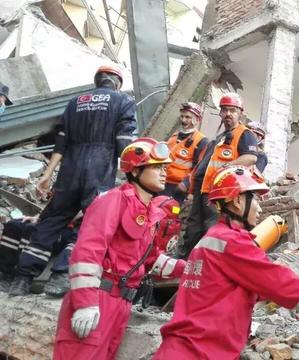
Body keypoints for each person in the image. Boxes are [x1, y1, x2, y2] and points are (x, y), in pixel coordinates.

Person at [153, 166, 299, 359]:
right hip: (199, 351)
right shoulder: (232, 242)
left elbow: (243, 287)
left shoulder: (211, 239)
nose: (260, 209)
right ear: (236, 201)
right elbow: (275, 281)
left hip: (182, 348)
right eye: (254, 199)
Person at [7, 65, 138, 296]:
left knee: (50, 221)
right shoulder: (122, 101)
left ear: (98, 80)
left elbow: (61, 142)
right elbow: (124, 141)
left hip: (70, 169)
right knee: (90, 223)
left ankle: (22, 279)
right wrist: (131, 178)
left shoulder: (75, 103)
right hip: (98, 170)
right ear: (117, 82)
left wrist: (47, 175)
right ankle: (60, 276)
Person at [52, 138, 186, 360]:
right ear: (135, 170)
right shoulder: (113, 201)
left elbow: (150, 259)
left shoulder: (148, 211)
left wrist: (190, 269)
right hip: (99, 297)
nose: (164, 172)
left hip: (121, 305)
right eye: (156, 167)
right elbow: (86, 252)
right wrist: (85, 303)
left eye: (164, 167)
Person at [179, 93, 259, 258]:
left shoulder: (245, 134)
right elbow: (203, 166)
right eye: (224, 110)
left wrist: (226, 169)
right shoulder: (218, 139)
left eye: (232, 110)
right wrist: (190, 185)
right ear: (220, 113)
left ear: (240, 113)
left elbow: (251, 157)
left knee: (212, 227)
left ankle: (210, 262)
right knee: (193, 227)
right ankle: (187, 262)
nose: (228, 114)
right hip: (203, 190)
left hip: (220, 192)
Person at [0, 214, 78, 297]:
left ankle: (22, 279)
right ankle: (6, 273)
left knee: (32, 228)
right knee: (14, 224)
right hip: (56, 219)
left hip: (71, 227)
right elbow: (57, 208)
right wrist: (39, 217)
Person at [160, 102, 209, 203]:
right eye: (182, 116)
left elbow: (199, 168)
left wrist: (187, 184)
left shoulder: (201, 141)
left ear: (197, 119)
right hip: (163, 182)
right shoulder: (174, 136)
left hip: (179, 187)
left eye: (188, 117)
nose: (183, 120)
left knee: (172, 214)